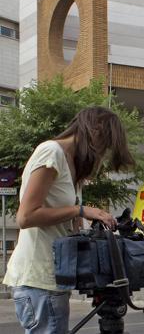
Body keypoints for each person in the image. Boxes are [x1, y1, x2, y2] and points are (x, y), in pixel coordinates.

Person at [3, 106, 135, 333]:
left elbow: (65, 220)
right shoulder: (51, 152)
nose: (102, 153)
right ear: (95, 130)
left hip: (53, 278)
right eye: (105, 145)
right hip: (39, 279)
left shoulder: (71, 163)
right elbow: (25, 217)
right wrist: (80, 210)